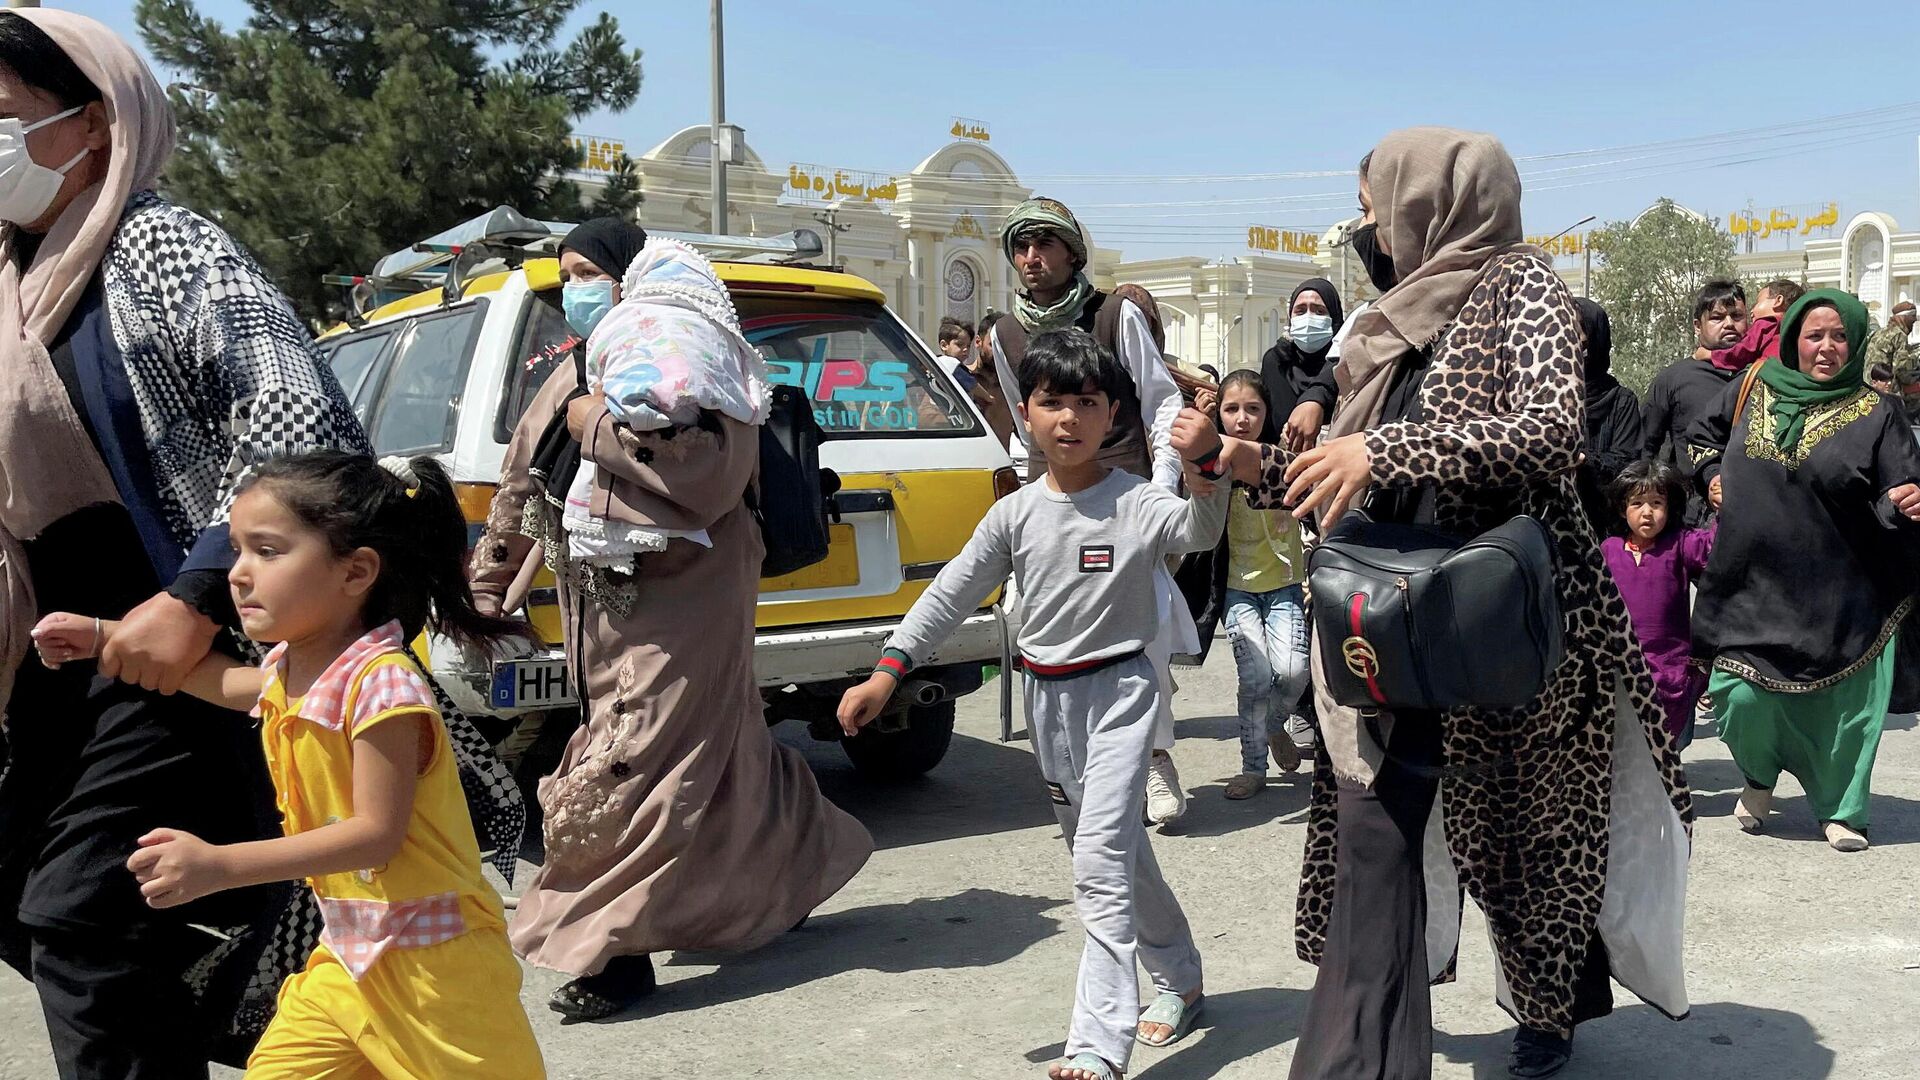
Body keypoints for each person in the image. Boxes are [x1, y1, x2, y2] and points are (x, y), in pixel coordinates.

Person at [0, 11, 469, 1076]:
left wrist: (201, 591)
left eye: (4, 117)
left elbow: (301, 421)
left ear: (95, 126)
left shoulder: (162, 247)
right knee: (32, 898)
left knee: (81, 911)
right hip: (64, 647)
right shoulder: (11, 276)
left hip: (186, 636)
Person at [1173, 129, 1693, 1080]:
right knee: (1383, 832)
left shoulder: (1520, 286)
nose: (1367, 222)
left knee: (1524, 837)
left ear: (1430, 199)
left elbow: (1546, 433)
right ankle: (1373, 1032)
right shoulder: (1390, 317)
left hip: (1510, 623)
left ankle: (1546, 1015)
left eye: (1375, 201)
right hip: (1391, 618)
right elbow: (1353, 471)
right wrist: (1246, 465)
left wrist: (1389, 452)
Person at [31, 452, 546, 1078]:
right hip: (348, 959)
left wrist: (220, 865)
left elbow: (373, 835)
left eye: (268, 552)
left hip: (437, 967)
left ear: (355, 571)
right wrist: (104, 636)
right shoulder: (294, 671)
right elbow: (221, 683)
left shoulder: (383, 686)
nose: (239, 575)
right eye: (239, 552)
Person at [473, 227, 873, 1020]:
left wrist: (593, 422)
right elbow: (521, 480)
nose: (576, 291)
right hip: (601, 602)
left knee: (635, 758)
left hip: (690, 596)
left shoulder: (693, 368)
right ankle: (800, 867)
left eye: (590, 273)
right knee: (722, 750)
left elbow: (707, 480)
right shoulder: (574, 371)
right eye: (568, 279)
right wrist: (488, 580)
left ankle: (611, 949)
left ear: (630, 277)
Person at [839, 329, 1226, 1080]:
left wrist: (1207, 466)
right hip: (1048, 704)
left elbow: (1197, 531)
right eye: (1052, 402)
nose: (1069, 419)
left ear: (1112, 412)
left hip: (1120, 694)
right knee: (1116, 854)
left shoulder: (1138, 502)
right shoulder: (1015, 513)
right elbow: (952, 591)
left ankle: (1097, 1044)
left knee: (1099, 865)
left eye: (1087, 403)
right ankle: (1181, 975)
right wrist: (888, 670)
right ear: (1026, 412)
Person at [986, 196, 1196, 826]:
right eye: (1021, 247)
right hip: (1052, 503)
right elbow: (1023, 424)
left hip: (1125, 494)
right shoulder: (1004, 332)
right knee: (1044, 627)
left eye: (1045, 244)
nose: (1031, 258)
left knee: (1144, 632)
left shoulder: (1114, 313)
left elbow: (1160, 401)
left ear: (1072, 253)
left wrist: (1160, 488)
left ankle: (1154, 757)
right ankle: (1079, 764)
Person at [1687, 289, 1920, 853]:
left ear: (1857, 342)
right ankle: (1760, 778)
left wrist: (1906, 501)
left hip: (1842, 593)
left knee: (1844, 710)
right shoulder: (1753, 386)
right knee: (1739, 697)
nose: (1827, 347)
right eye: (1815, 335)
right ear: (1793, 338)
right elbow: (1699, 439)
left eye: (1840, 336)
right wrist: (1712, 474)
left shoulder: (1879, 414)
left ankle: (1842, 810)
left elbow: (1899, 489)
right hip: (1751, 584)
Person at [1193, 372, 1306, 798]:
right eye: (1232, 409)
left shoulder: (1284, 460)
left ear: (1267, 413)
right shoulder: (1214, 466)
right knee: (1256, 677)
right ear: (1219, 413)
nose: (1243, 419)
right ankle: (1253, 767)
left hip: (1286, 586)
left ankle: (1272, 727)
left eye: (1253, 409)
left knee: (1294, 673)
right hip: (1237, 591)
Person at [1600, 460, 1716, 751]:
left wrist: (1722, 504)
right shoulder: (1609, 550)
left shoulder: (1680, 544)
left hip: (1670, 671)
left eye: (1656, 503)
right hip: (1619, 670)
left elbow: (1716, 545)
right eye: (1637, 503)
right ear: (1621, 508)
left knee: (1665, 748)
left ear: (1670, 507)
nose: (1647, 512)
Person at [1642, 279, 1751, 525]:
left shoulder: (1760, 376)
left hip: (1753, 512)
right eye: (1717, 317)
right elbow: (1647, 450)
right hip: (1692, 519)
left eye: (1737, 316)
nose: (1729, 324)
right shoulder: (1674, 379)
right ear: (1697, 325)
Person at [1572, 298, 1645, 534]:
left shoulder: (1621, 401)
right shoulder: (1544, 397)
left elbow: (1627, 463)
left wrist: (1582, 460)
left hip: (1604, 528)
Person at [1256, 278, 1343, 452]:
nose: (1309, 318)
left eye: (1319, 311)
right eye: (1300, 311)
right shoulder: (1275, 362)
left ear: (1334, 318)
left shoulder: (1346, 363)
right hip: (1281, 468)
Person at [1695, 278, 1803, 373]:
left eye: (1757, 302)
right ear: (1698, 326)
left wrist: (1710, 355)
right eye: (1717, 318)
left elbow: (1742, 352)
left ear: (1778, 301)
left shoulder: (1766, 323)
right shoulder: (1796, 330)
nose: (1752, 311)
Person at [1864, 299, 1919, 426]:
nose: (1914, 322)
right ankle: (1907, 425)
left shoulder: (1879, 332)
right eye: (1912, 319)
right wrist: (1914, 380)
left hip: (1869, 383)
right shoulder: (1899, 335)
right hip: (1886, 386)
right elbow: (1900, 369)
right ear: (1904, 318)